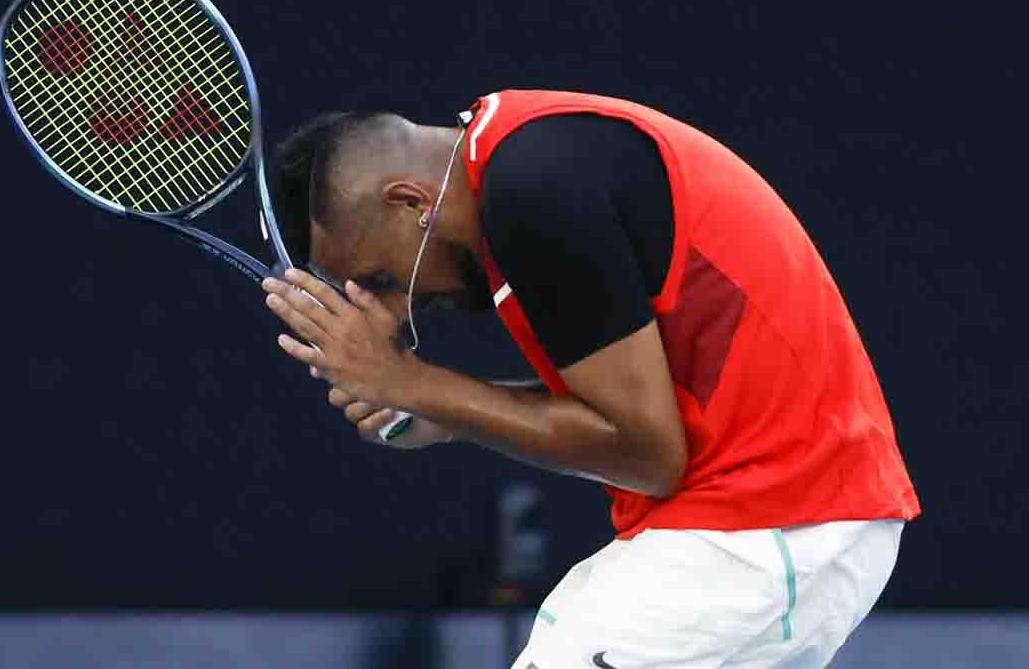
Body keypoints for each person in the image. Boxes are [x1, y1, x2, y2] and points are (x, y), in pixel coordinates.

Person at [260, 90, 920, 668]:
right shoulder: (524, 156)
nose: (399, 299)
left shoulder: (533, 193)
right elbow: (626, 415)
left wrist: (409, 383)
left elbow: (646, 452)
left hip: (771, 521)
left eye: (379, 276)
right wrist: (436, 412)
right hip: (776, 525)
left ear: (411, 203)